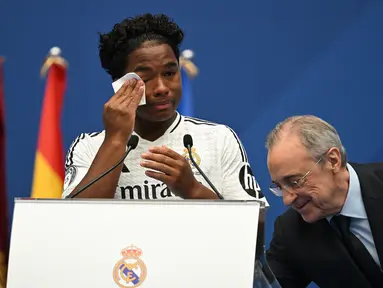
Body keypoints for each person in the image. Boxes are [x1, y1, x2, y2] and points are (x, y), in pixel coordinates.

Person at [61, 13, 267, 204]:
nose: (161, 88)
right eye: (145, 78)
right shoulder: (87, 147)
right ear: (119, 84)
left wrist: (193, 190)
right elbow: (73, 225)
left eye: (170, 73)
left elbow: (254, 225)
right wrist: (115, 139)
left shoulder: (220, 139)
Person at [265, 115, 383, 288]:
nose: (287, 199)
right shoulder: (291, 231)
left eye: (295, 181)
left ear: (333, 161)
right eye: (279, 187)